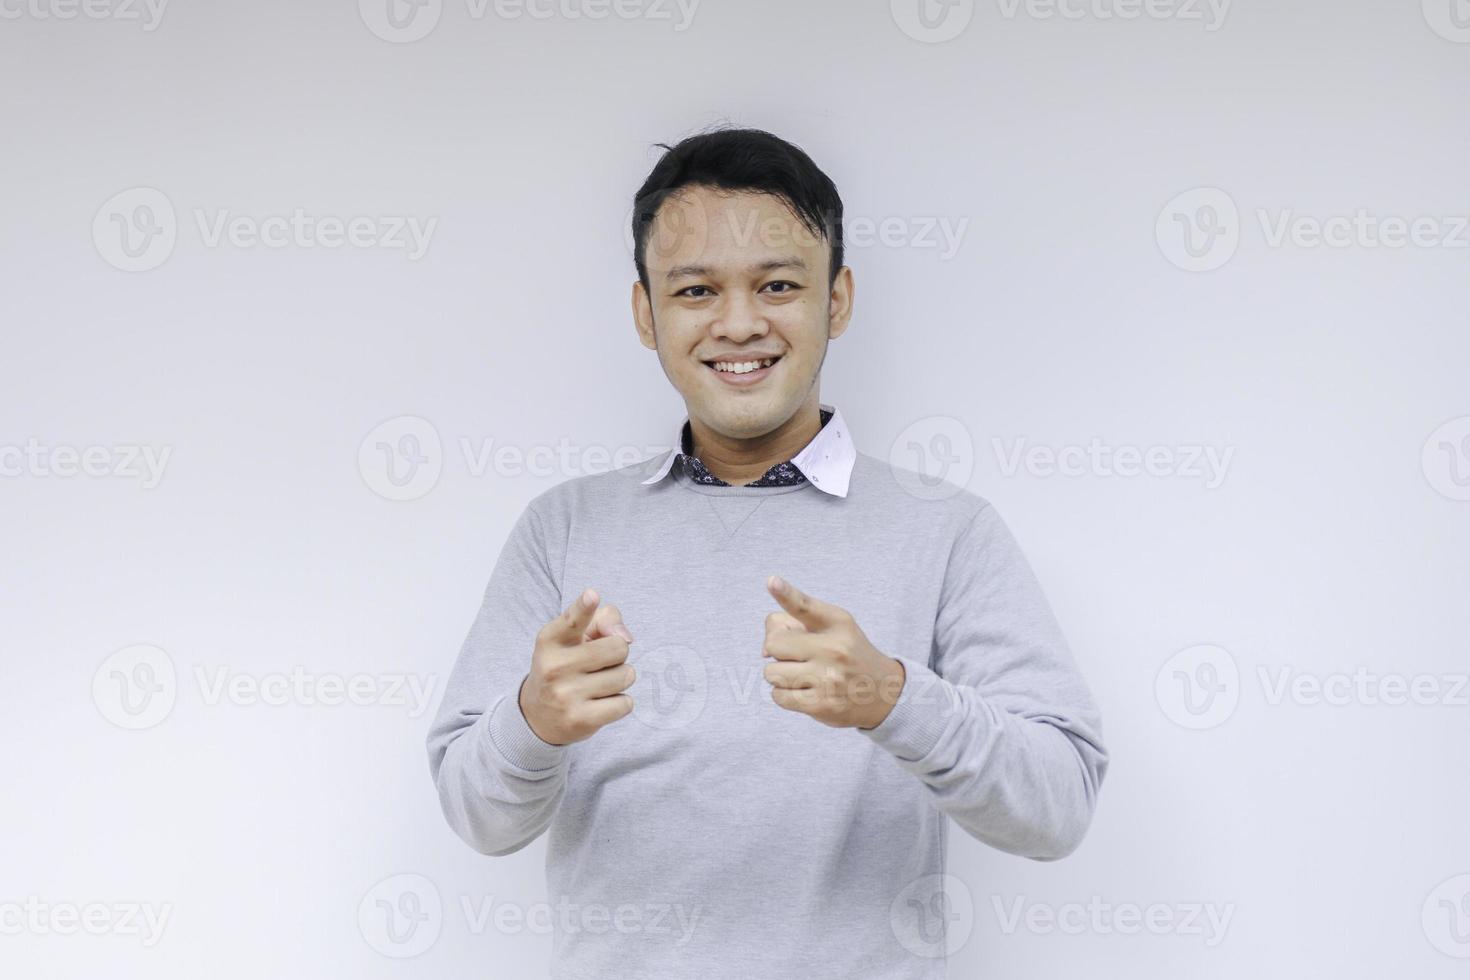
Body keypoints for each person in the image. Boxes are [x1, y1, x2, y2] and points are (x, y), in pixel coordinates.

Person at [426, 126, 1108, 978]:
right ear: (646, 313)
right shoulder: (562, 528)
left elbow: (1059, 809)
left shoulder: (947, 530)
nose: (738, 323)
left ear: (839, 300)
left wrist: (895, 699)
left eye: (779, 284)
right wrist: (534, 720)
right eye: (696, 289)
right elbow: (477, 816)